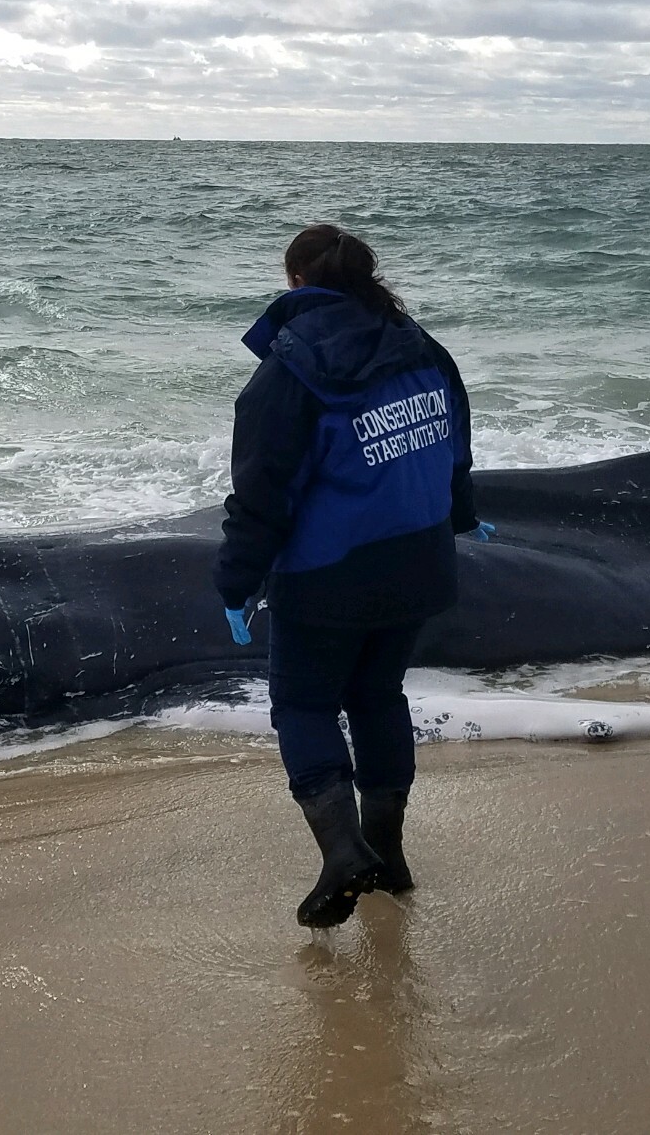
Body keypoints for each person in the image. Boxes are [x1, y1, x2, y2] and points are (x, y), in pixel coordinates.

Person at [216, 224, 488, 928]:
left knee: (303, 706)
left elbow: (263, 493)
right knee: (375, 696)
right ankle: (388, 856)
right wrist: (459, 515)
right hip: (420, 561)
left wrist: (235, 581)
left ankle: (344, 852)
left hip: (330, 573)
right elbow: (455, 444)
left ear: (296, 283)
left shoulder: (290, 371)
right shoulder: (424, 349)